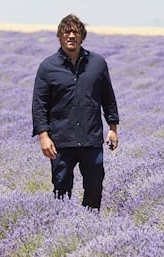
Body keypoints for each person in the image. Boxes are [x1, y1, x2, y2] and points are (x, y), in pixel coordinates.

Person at [32, 14, 119, 211]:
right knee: (61, 190)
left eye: (76, 32)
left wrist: (113, 128)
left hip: (91, 139)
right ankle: (62, 226)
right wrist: (43, 136)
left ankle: (89, 226)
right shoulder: (47, 67)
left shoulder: (97, 63)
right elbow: (39, 105)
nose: (71, 35)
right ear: (60, 36)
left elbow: (108, 97)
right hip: (61, 141)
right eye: (66, 31)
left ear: (82, 36)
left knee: (95, 187)